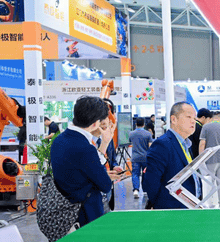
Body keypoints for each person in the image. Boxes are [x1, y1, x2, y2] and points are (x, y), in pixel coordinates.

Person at [51, 96, 121, 227]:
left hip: (65, 212)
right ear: (95, 123)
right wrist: (103, 175)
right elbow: (105, 185)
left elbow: (77, 173)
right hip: (85, 214)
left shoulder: (58, 140)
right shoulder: (85, 148)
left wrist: (104, 143)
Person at [143, 102, 202, 209]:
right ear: (174, 119)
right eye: (188, 117)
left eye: (194, 118)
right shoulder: (162, 144)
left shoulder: (186, 144)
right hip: (172, 210)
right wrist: (161, 207)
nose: (193, 121)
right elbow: (152, 182)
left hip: (190, 207)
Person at [199, 112, 220, 208]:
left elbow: (202, 143)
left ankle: (210, 203)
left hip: (210, 159)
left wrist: (201, 158)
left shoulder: (206, 127)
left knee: (209, 182)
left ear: (211, 118)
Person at [129, 117, 153, 198]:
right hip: (145, 158)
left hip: (135, 157)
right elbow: (150, 147)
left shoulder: (131, 133)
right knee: (145, 173)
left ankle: (136, 190)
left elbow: (130, 142)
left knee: (135, 173)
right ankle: (145, 190)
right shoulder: (148, 134)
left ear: (135, 124)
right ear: (144, 124)